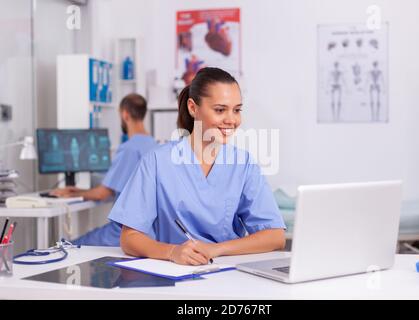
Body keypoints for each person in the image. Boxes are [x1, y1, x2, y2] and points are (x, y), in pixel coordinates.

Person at [108, 67, 286, 265]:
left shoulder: (243, 165)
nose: (231, 120)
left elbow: (275, 236)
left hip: (230, 276)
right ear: (193, 108)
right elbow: (129, 238)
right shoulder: (157, 162)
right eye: (220, 110)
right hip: (173, 275)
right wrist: (172, 252)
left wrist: (216, 249)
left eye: (237, 110)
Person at [51, 93, 158, 246]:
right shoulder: (153, 144)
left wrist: (73, 193)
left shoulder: (129, 149)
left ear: (125, 114)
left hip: (124, 233)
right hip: (149, 232)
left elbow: (103, 194)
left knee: (68, 246)